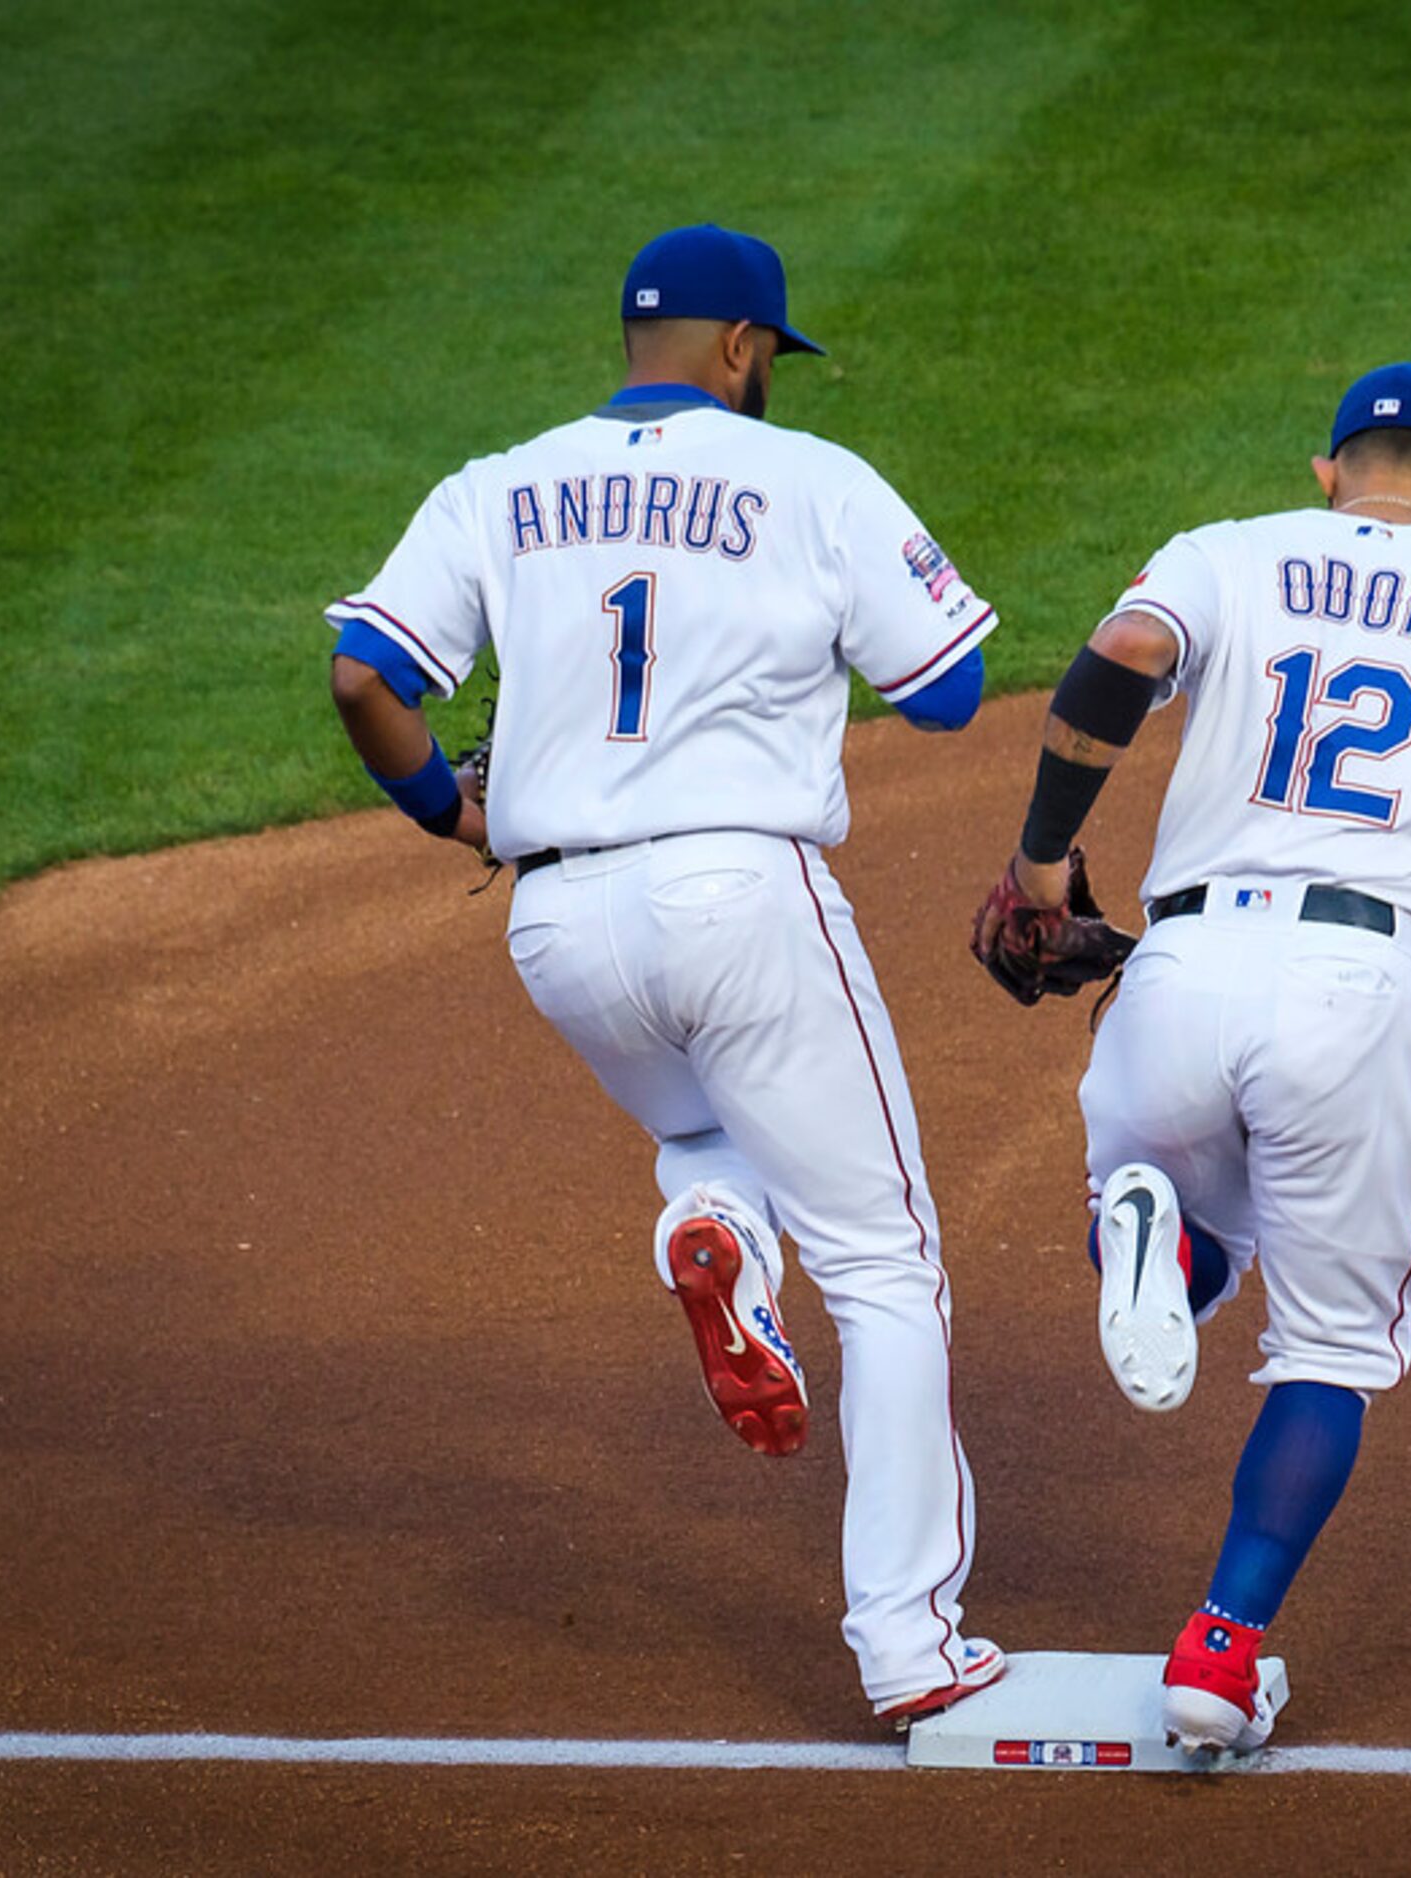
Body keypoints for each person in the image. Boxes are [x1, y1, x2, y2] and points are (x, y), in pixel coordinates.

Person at [325, 224, 1003, 1726]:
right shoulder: (809, 480)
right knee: (888, 1264)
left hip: (557, 924)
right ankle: (909, 1640)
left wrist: (452, 807)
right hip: (736, 891)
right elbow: (948, 690)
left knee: (707, 1124)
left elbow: (364, 675)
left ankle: (711, 1227)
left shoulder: (495, 484)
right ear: (744, 349)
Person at [974, 363, 1411, 1752]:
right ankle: (1218, 1650)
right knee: (1328, 1349)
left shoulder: (1226, 553)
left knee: (1193, 1214)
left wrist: (1039, 860)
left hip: (1180, 965)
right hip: (1358, 989)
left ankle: (1154, 1239)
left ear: (1330, 469)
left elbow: (1121, 658)